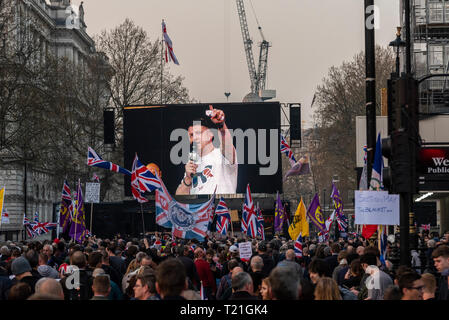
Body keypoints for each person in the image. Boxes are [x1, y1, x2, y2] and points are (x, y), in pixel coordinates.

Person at [176, 105, 237, 195]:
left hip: (220, 207)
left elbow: (227, 143)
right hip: (198, 208)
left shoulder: (221, 154)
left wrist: (221, 125)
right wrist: (188, 179)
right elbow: (179, 198)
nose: (195, 138)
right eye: (191, 135)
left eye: (198, 133)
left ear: (210, 134)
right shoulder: (192, 162)